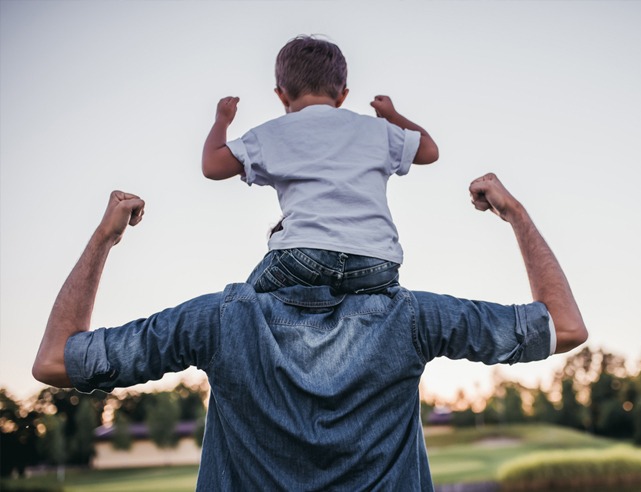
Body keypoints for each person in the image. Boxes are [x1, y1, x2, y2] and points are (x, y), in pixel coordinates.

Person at [33, 173, 587, 490]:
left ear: (278, 243)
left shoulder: (219, 321)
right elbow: (564, 326)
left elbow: (56, 360)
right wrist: (514, 213)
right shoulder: (411, 318)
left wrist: (105, 238)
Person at [202, 35, 439, 295]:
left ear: (281, 95)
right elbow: (429, 150)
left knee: (243, 304)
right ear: (343, 95)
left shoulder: (273, 133)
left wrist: (222, 120)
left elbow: (212, 165)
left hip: (304, 257)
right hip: (377, 263)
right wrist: (392, 116)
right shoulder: (376, 129)